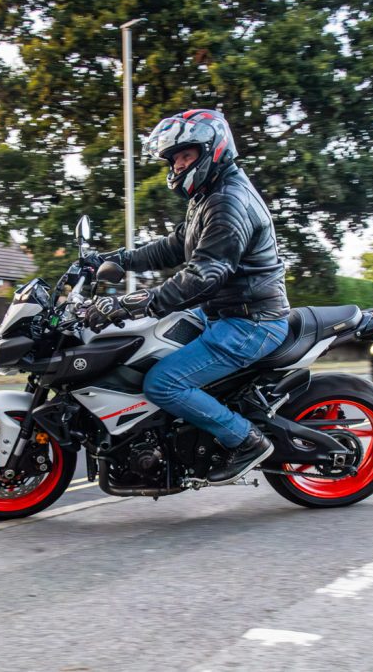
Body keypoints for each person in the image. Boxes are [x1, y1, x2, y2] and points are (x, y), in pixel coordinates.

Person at [85, 109, 290, 484]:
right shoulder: (210, 195)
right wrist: (113, 259)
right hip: (221, 313)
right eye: (175, 158)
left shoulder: (228, 202)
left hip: (249, 323)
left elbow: (204, 275)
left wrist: (136, 301)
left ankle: (246, 441)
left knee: (163, 382)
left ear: (212, 149)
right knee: (142, 345)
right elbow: (174, 246)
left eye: (186, 155)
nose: (178, 165)